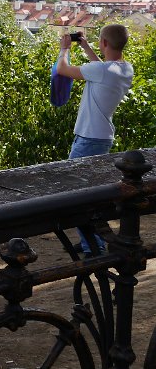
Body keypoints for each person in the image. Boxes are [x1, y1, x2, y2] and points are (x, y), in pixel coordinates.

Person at [56, 23, 134, 254]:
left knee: (76, 193)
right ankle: (91, 240)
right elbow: (102, 68)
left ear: (105, 43)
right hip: (101, 137)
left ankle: (93, 247)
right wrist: (86, 47)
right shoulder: (124, 69)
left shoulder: (101, 71)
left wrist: (65, 49)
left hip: (89, 138)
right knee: (90, 192)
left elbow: (62, 69)